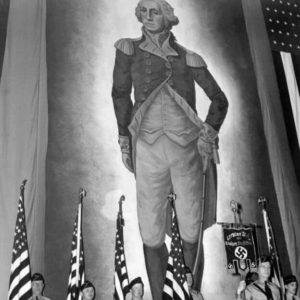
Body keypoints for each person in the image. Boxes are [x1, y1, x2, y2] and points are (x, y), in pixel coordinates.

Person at [112, 0, 228, 298]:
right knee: (150, 231)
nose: (149, 17)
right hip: (147, 149)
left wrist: (209, 132)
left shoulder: (189, 58)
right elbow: (121, 95)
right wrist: (124, 139)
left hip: (187, 150)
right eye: (144, 11)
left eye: (155, 11)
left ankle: (190, 293)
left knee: (191, 228)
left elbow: (219, 100)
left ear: (167, 17)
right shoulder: (128, 50)